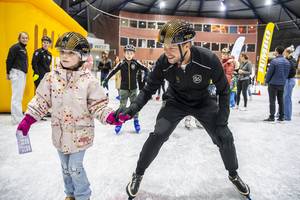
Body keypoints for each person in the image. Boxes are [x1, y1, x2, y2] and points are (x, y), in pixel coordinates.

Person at [118, 20, 250, 199]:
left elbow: (224, 91)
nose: (166, 52)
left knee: (224, 136)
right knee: (158, 134)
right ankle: (138, 173)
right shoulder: (163, 62)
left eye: (171, 47)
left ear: (186, 45)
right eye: (164, 47)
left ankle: (233, 174)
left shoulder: (208, 59)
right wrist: (132, 109)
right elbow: (148, 89)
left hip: (203, 101)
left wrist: (222, 121)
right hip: (175, 101)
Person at [16, 32, 123, 200]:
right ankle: (70, 194)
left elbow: (98, 105)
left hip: (80, 134)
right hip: (59, 133)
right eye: (62, 52)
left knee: (74, 166)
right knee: (65, 167)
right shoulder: (51, 78)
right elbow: (41, 101)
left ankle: (82, 195)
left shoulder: (89, 81)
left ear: (81, 56)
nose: (65, 56)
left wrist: (110, 116)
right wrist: (28, 120)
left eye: (71, 53)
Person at [102, 44, 149, 134]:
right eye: (127, 53)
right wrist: (106, 79)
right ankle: (119, 122)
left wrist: (147, 76)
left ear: (134, 54)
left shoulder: (136, 63)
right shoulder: (121, 63)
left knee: (134, 106)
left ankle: (136, 121)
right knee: (122, 106)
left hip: (134, 89)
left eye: (131, 53)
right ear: (124, 53)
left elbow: (146, 69)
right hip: (123, 89)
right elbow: (113, 71)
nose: (129, 55)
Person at [6, 32, 29, 125]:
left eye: (26, 38)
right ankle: (16, 119)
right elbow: (9, 60)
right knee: (16, 97)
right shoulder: (15, 47)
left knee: (18, 97)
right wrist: (8, 72)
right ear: (19, 38)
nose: (25, 39)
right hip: (16, 73)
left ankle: (18, 116)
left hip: (21, 73)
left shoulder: (23, 48)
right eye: (23, 38)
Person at [264, 46, 290, 122]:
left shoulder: (274, 61)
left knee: (272, 100)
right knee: (281, 100)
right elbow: (286, 74)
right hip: (282, 84)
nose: (274, 52)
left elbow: (269, 73)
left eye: (275, 51)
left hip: (273, 84)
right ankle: (281, 117)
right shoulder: (287, 62)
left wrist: (267, 81)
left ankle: (272, 117)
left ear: (277, 52)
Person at [283, 45, 297, 121]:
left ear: (288, 53)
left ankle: (287, 116)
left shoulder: (292, 60)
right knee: (284, 98)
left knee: (287, 98)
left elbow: (292, 70)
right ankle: (282, 114)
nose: (284, 53)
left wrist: (289, 58)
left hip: (289, 80)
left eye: (285, 52)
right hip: (286, 80)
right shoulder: (287, 59)